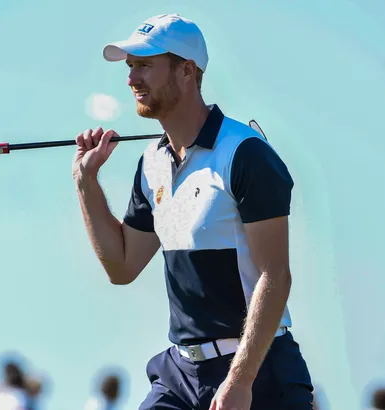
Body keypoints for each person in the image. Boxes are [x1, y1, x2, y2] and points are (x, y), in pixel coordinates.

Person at [72, 13, 314, 410]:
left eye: (144, 65)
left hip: (259, 372)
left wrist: (241, 380)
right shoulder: (151, 163)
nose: (131, 78)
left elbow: (275, 276)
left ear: (187, 71)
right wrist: (86, 182)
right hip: (180, 374)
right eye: (130, 66)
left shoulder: (245, 153)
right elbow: (122, 266)